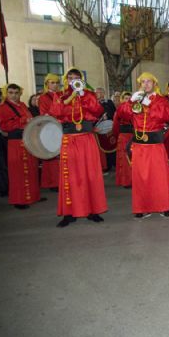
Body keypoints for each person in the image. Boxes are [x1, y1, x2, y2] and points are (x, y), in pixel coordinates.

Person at [49, 68, 108, 227]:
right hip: (69, 138)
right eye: (70, 78)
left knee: (90, 174)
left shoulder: (89, 94)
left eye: (77, 78)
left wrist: (83, 97)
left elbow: (98, 111)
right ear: (66, 80)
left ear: (82, 80)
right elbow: (56, 112)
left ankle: (93, 210)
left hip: (87, 138)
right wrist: (71, 96)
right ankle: (69, 213)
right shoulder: (60, 95)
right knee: (70, 176)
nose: (73, 80)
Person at [122, 72, 169, 219]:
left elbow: (166, 116)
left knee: (159, 177)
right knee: (140, 177)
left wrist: (148, 104)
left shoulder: (161, 100)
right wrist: (130, 102)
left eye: (149, 82)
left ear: (154, 84)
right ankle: (141, 208)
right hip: (139, 145)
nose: (146, 84)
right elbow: (123, 115)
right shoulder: (135, 99)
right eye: (143, 82)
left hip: (155, 144)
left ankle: (163, 207)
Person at [0, 84, 42, 209]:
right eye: (11, 92)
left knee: (32, 168)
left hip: (27, 139)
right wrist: (22, 121)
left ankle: (33, 196)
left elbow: (29, 119)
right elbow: (4, 127)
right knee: (18, 172)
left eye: (16, 92)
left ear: (20, 93)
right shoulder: (1, 108)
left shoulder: (22, 105)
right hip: (15, 142)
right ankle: (19, 200)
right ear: (6, 93)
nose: (14, 95)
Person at [38, 73, 61, 190]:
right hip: (50, 128)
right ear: (47, 84)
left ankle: (62, 180)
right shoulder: (43, 97)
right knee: (52, 157)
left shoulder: (62, 95)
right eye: (52, 82)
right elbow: (44, 114)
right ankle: (53, 183)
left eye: (57, 82)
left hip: (62, 127)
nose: (55, 85)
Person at [112, 92, 133, 188]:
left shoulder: (135, 109)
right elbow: (115, 126)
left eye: (129, 98)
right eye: (125, 98)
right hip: (124, 136)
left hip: (133, 136)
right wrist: (118, 136)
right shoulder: (119, 111)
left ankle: (134, 180)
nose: (127, 100)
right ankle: (126, 181)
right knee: (125, 160)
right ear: (122, 99)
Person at [95, 87, 117, 173]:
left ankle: (114, 163)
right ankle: (106, 165)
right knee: (103, 147)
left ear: (103, 94)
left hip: (110, 128)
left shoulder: (109, 102)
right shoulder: (93, 103)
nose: (97, 94)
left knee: (113, 144)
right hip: (100, 129)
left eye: (99, 92)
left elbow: (115, 113)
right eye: (96, 92)